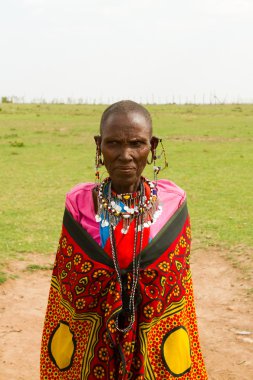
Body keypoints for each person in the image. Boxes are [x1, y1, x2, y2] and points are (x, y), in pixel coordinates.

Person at [40, 100, 208, 379]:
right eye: (114, 143)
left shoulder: (173, 202)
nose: (125, 155)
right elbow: (69, 289)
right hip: (94, 344)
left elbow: (176, 284)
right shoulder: (79, 203)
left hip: (155, 337)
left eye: (137, 144)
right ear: (99, 145)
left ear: (152, 147)